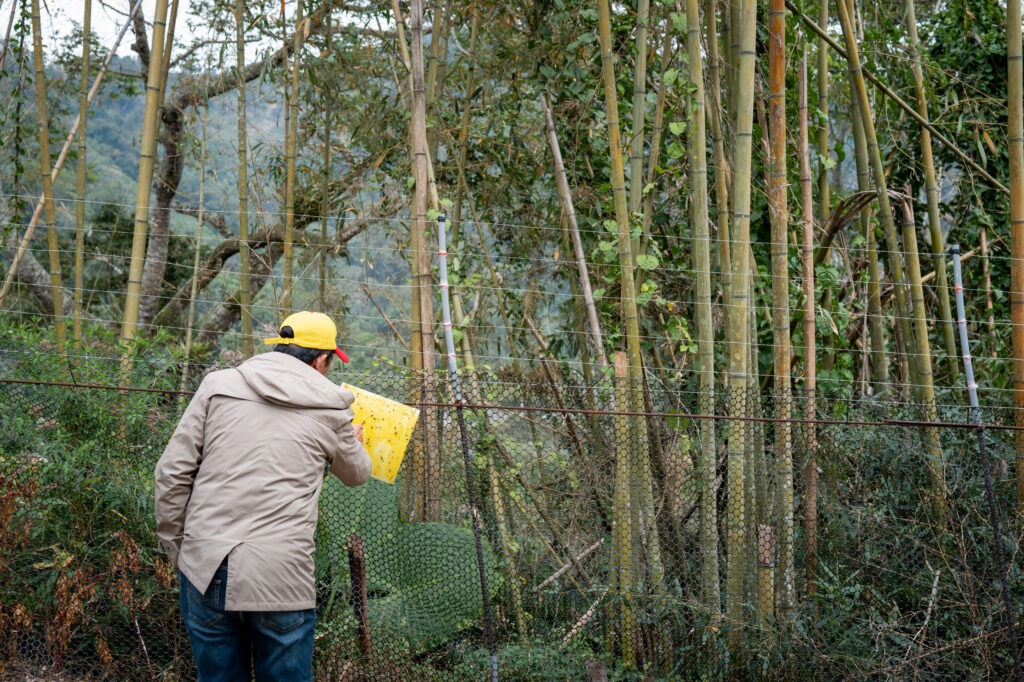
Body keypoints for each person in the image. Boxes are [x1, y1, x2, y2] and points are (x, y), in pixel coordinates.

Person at [155, 311, 372, 682]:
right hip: (281, 576)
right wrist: (353, 442)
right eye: (330, 363)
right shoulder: (332, 408)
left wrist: (180, 551)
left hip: (206, 564)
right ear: (321, 359)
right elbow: (357, 474)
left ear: (282, 346)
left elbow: (171, 474)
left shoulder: (217, 385)